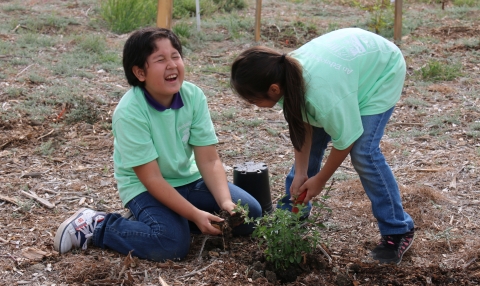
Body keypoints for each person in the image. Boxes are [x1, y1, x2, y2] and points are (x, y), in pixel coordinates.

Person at [54, 27, 262, 261]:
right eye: (160, 60)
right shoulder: (130, 112)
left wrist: (225, 202)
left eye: (175, 56)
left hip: (189, 180)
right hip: (144, 187)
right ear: (140, 72)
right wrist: (194, 214)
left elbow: (209, 158)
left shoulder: (193, 96)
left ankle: (160, 220)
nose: (172, 65)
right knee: (171, 245)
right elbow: (151, 178)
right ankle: (98, 225)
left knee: (250, 215)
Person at [230, 27, 415, 265]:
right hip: (346, 71)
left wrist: (321, 179)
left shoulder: (321, 96)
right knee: (310, 151)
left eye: (254, 100)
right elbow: (302, 126)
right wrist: (301, 172)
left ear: (273, 89)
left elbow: (346, 139)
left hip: (381, 70)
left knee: (364, 153)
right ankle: (293, 217)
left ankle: (398, 230)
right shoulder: (284, 73)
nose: (253, 105)